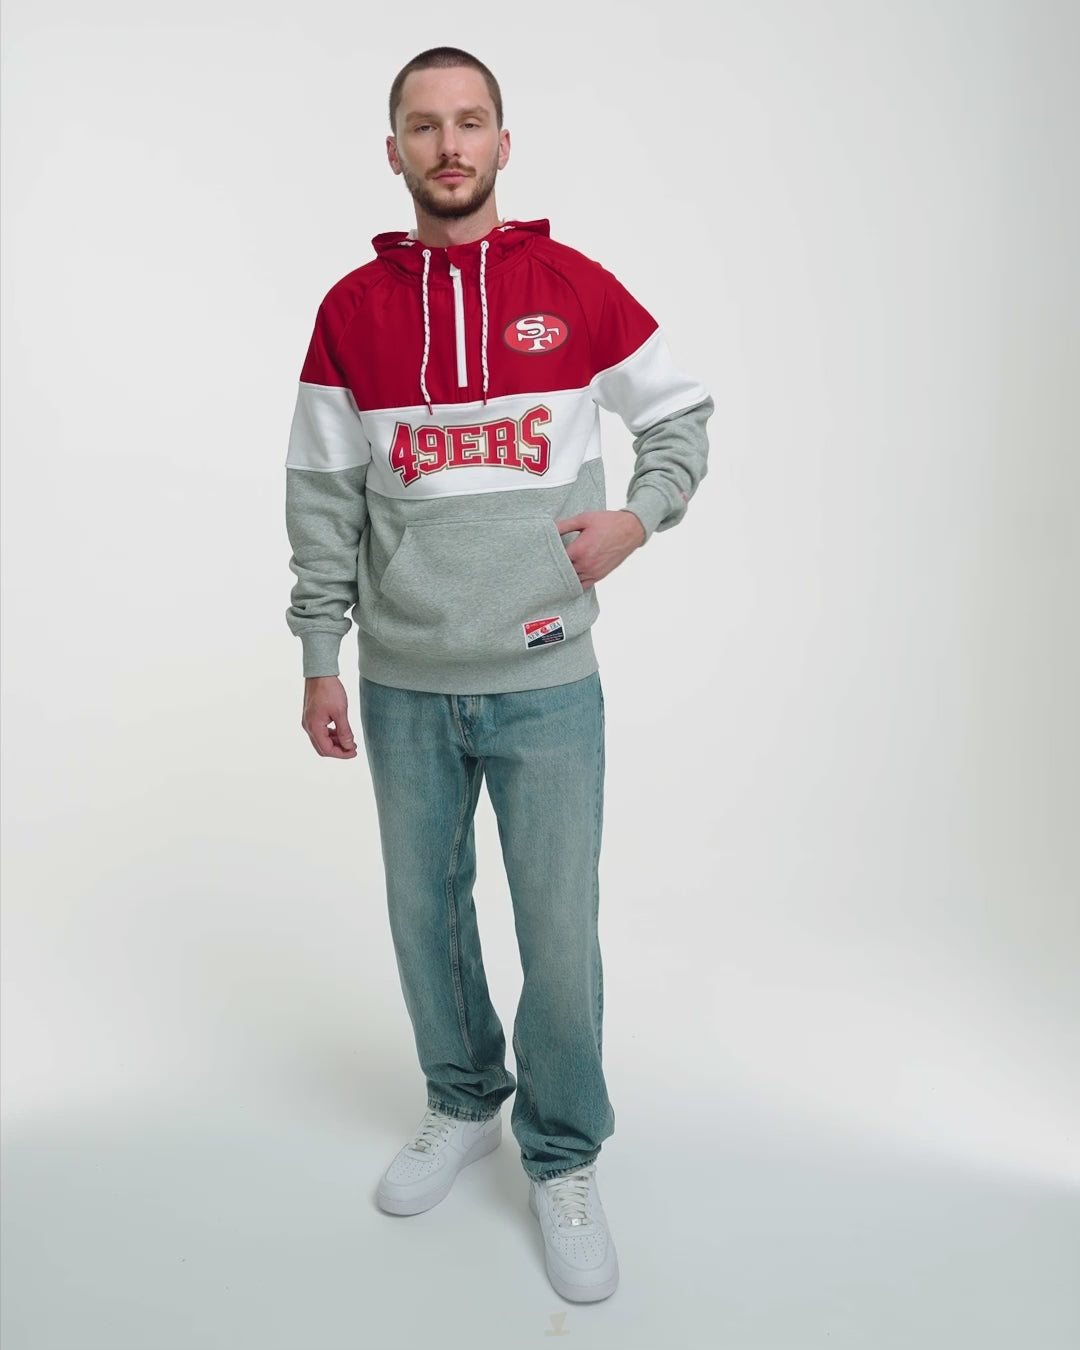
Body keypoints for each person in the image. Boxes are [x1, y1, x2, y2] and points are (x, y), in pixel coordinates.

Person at [284, 46, 713, 1303]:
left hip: (545, 677)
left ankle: (563, 1156)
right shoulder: (350, 312)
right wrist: (320, 653)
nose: (450, 145)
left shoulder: (572, 289)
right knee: (424, 917)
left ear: (504, 144)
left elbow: (679, 413)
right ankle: (465, 1098)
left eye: (470, 122)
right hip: (403, 679)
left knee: (559, 932)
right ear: (394, 150)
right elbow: (322, 499)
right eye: (425, 126)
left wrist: (638, 517)